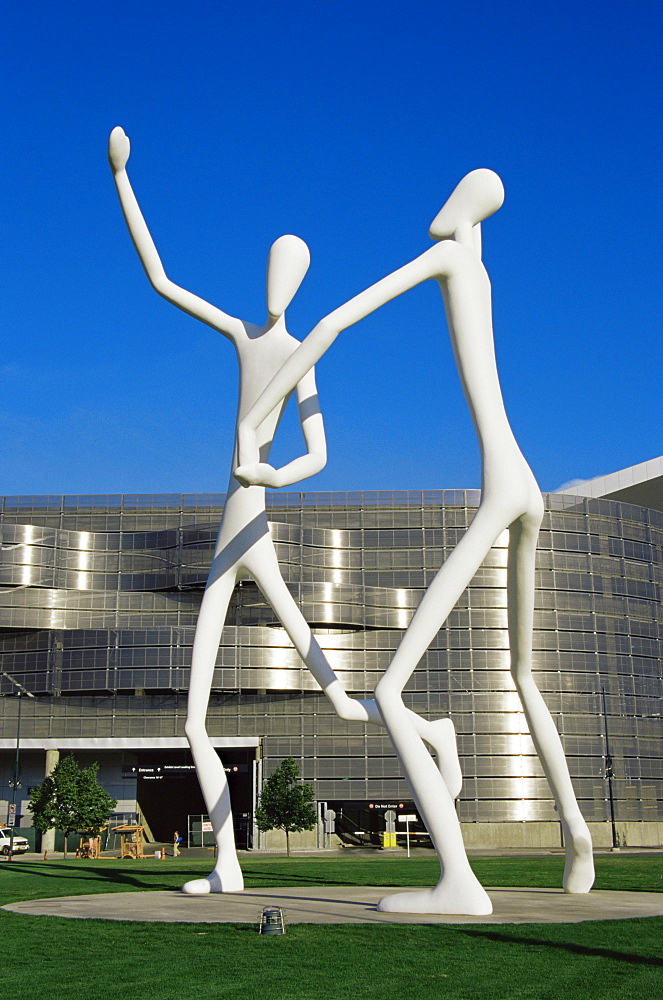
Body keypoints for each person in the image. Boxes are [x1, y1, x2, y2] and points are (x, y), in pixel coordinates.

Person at [108, 127, 461, 895]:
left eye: (290, 271)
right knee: (195, 720)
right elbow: (161, 279)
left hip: (256, 530)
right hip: (230, 536)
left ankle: (432, 730)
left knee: (336, 702)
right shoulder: (240, 335)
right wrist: (122, 179)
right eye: (272, 267)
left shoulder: (304, 355)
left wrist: (269, 469)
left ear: (301, 282)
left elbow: (321, 453)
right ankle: (227, 865)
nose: (276, 283)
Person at [237, 169, 595, 914]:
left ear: (464, 209)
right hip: (529, 482)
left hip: (501, 488)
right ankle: (575, 829)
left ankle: (458, 882)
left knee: (392, 691)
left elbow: (334, 323)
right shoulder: (484, 266)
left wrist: (259, 415)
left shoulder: (451, 259)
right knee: (524, 674)